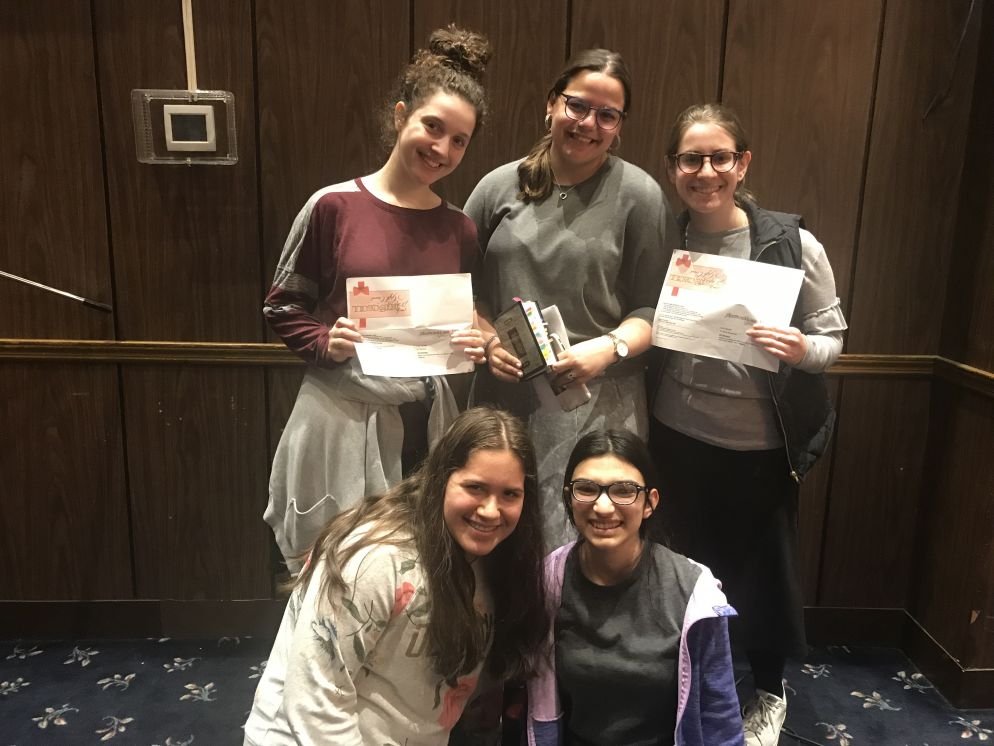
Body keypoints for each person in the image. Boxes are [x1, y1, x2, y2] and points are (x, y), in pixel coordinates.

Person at [648, 103, 848, 746]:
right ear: (673, 168)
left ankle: (767, 692)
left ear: (743, 164)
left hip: (760, 446)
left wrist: (800, 349)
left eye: (720, 158)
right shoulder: (664, 238)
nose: (705, 172)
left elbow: (832, 340)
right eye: (691, 159)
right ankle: (680, 684)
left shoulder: (792, 244)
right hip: (674, 437)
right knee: (677, 569)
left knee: (763, 577)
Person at [262, 26, 492, 572]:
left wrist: (474, 340)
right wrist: (326, 342)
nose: (442, 149)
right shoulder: (333, 206)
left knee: (414, 569)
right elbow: (282, 304)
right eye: (432, 126)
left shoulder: (459, 228)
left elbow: (466, 314)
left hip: (425, 421)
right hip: (340, 418)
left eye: (459, 140)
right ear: (400, 115)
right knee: (334, 570)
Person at [465, 49, 677, 548]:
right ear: (551, 104)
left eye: (607, 115)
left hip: (600, 397)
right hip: (504, 394)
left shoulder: (640, 195)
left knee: (579, 539)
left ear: (619, 125)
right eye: (577, 106)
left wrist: (608, 349)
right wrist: (490, 340)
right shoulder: (498, 187)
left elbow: (657, 308)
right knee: (495, 531)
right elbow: (461, 289)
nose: (588, 124)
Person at [243, 407, 550, 745]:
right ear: (441, 480)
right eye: (475, 487)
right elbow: (315, 702)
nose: (491, 510)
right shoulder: (376, 557)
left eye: (510, 494)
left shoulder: (496, 559)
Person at [525, 430, 743, 746]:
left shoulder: (693, 592)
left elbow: (719, 715)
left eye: (624, 491)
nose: (602, 506)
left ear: (649, 503)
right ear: (569, 498)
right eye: (586, 489)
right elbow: (530, 700)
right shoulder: (549, 582)